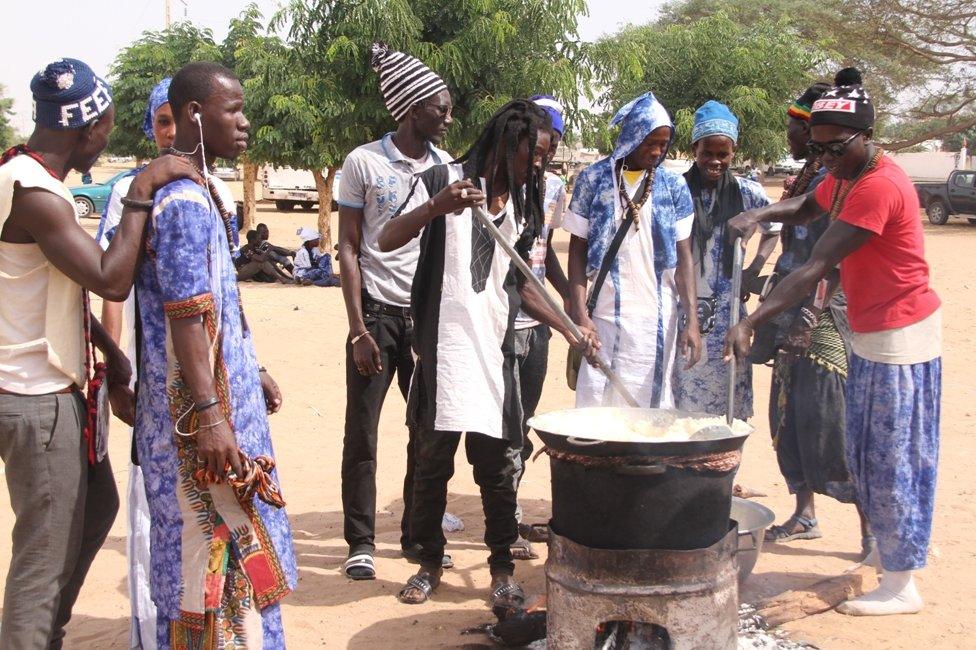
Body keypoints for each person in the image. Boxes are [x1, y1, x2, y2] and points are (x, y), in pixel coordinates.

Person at [725, 69, 941, 616]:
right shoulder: (843, 174)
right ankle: (893, 564)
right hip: (870, 331)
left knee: (893, 457)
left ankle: (901, 581)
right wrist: (760, 212)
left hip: (900, 335)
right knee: (867, 453)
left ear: (866, 137)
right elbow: (806, 206)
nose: (822, 158)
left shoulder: (878, 186)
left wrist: (753, 318)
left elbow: (819, 262)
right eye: (816, 148)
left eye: (832, 148)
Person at [0, 58, 197, 649]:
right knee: (46, 554)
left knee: (96, 508)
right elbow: (111, 281)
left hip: (53, 385)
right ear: (85, 129)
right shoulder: (34, 193)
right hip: (36, 394)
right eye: (106, 128)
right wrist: (140, 188)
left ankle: (45, 633)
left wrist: (111, 354)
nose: (107, 140)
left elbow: (60, 292)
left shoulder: (26, 177)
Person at [378, 99, 597, 609]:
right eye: (534, 154)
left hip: (492, 354)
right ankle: (429, 562)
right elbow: (386, 238)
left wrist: (569, 326)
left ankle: (501, 567)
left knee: (499, 469)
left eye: (546, 157)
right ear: (507, 142)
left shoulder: (522, 206)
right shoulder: (441, 180)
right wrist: (437, 205)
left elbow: (519, 284)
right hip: (442, 353)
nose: (539, 165)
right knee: (432, 467)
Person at [133, 61, 296, 646]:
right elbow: (186, 319)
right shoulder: (179, 204)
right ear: (196, 114)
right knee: (208, 570)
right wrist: (210, 415)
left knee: (240, 563)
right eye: (234, 111)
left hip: (225, 411)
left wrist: (253, 370)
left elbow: (219, 311)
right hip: (199, 429)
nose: (246, 123)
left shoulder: (204, 194)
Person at [335, 43, 454, 580]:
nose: (449, 118)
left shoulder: (447, 169)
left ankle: (415, 533)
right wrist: (359, 328)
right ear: (412, 108)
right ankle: (360, 541)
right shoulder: (364, 162)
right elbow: (348, 248)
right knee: (363, 432)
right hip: (376, 319)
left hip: (424, 322)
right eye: (440, 108)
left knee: (426, 432)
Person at [756, 76, 871, 555]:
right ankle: (805, 513)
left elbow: (833, 260)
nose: (789, 137)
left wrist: (809, 317)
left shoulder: (840, 182)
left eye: (794, 129)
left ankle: (871, 527)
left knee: (830, 415)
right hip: (790, 301)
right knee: (787, 412)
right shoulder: (808, 179)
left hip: (822, 308)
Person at [95, 76, 179, 650]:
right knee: (152, 511)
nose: (171, 131)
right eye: (162, 121)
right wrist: (117, 370)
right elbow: (112, 291)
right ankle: (150, 635)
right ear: (151, 127)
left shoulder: (208, 191)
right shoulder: (133, 191)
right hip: (151, 382)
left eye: (179, 119)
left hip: (206, 386)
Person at [564, 92, 701, 411]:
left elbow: (684, 260)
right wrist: (581, 316)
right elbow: (576, 253)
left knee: (650, 407)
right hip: (604, 318)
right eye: (649, 142)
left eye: (663, 144)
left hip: (656, 320)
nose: (656, 151)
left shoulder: (673, 186)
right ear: (631, 136)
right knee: (598, 406)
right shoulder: (593, 180)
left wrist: (691, 320)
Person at [673, 100, 777, 420]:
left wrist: (754, 269)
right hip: (681, 310)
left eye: (723, 154)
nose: (715, 161)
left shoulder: (749, 193)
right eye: (708, 153)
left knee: (728, 405)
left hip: (728, 315)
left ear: (733, 153)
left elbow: (774, 228)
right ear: (695, 149)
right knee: (679, 404)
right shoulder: (677, 189)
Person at [509, 94, 570, 560]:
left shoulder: (552, 188)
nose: (543, 155)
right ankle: (504, 523)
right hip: (504, 322)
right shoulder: (500, 184)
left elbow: (544, 254)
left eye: (552, 146)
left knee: (524, 418)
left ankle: (507, 511)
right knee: (506, 425)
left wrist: (572, 305)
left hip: (539, 323)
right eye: (538, 144)